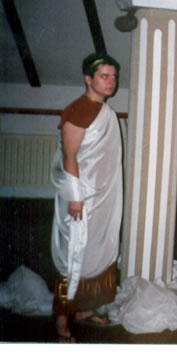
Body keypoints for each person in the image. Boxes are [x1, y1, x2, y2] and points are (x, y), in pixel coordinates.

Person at [50, 52, 123, 342]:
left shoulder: (105, 111)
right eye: (104, 76)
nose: (111, 81)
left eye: (113, 76)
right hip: (81, 197)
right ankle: (61, 320)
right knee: (73, 255)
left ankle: (84, 309)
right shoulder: (78, 110)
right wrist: (75, 197)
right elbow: (70, 156)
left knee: (96, 251)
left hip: (102, 198)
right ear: (88, 79)